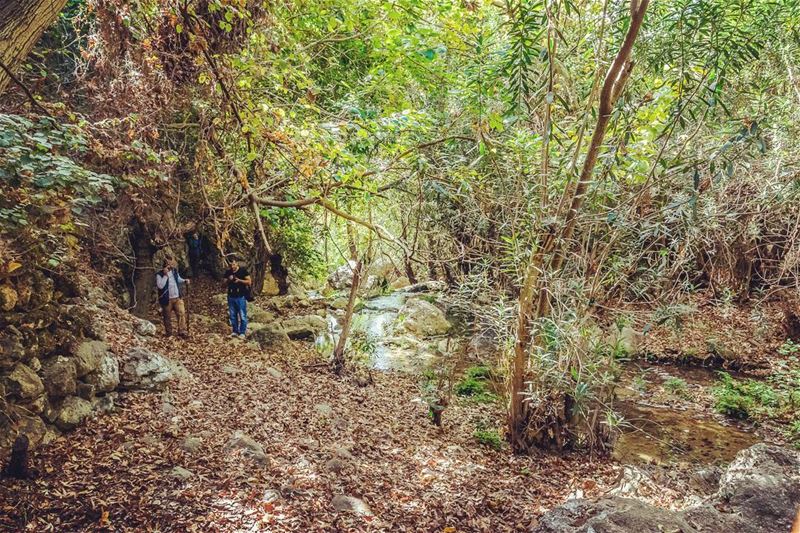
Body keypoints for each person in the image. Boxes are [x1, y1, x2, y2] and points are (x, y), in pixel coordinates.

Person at [156, 258, 189, 338]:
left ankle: (182, 331)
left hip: (177, 297)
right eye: (169, 264)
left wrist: (184, 280)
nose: (170, 265)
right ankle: (169, 333)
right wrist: (165, 276)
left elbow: (178, 279)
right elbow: (160, 286)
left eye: (171, 263)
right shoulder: (159, 275)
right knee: (167, 316)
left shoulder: (174, 271)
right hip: (167, 299)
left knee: (181, 313)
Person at [223, 256, 251, 338]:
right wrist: (229, 279)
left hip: (240, 296)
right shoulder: (228, 272)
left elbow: (249, 282)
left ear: (237, 264)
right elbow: (223, 284)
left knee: (242, 315)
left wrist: (239, 280)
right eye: (231, 265)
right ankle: (235, 331)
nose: (232, 266)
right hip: (231, 296)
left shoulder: (243, 271)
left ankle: (242, 332)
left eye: (234, 264)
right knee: (232, 315)